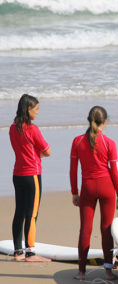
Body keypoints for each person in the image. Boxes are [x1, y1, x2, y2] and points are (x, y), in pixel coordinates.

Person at [70, 106, 118, 281]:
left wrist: (74, 192)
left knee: (85, 229)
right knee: (106, 230)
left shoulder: (77, 142)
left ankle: (81, 272)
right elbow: (114, 172)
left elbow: (72, 170)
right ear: (105, 122)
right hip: (108, 188)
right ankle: (108, 272)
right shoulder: (110, 143)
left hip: (87, 188)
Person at [9, 94, 52, 263]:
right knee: (32, 214)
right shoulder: (33, 129)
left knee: (19, 212)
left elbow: (21, 150)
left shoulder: (13, 128)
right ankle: (31, 253)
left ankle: (18, 251)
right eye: (36, 109)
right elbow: (47, 151)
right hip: (32, 174)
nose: (37, 113)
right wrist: (36, 154)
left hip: (17, 174)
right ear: (28, 109)